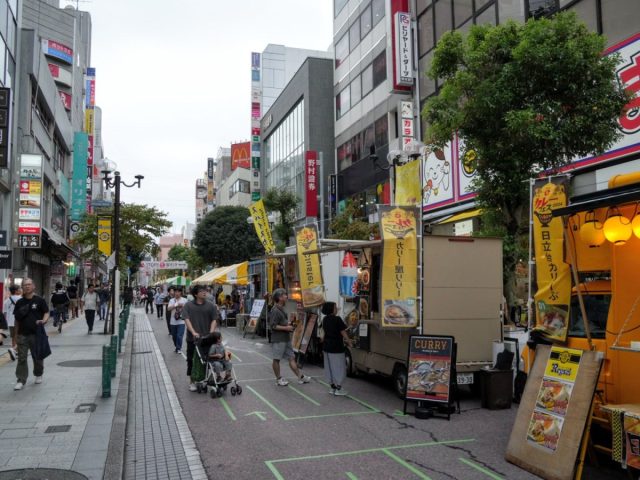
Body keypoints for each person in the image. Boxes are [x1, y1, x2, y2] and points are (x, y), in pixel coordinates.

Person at [269, 288, 311, 387]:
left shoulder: (281, 308)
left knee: (292, 357)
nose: (286, 297)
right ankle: (279, 379)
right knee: (276, 359)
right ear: (279, 297)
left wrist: (289, 324)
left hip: (286, 338)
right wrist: (286, 327)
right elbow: (273, 326)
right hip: (278, 339)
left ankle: (300, 377)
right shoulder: (275, 310)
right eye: (284, 295)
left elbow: (281, 323)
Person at [13, 278, 49, 390]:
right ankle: (21, 379)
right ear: (22, 287)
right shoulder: (19, 302)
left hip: (36, 333)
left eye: (29, 284)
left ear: (33, 286)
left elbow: (46, 312)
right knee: (22, 358)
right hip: (22, 334)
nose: (27, 286)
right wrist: (15, 337)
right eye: (25, 285)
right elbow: (17, 320)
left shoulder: (39, 300)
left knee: (37, 356)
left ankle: (38, 373)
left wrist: (44, 321)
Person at [183, 285, 218, 392]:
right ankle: (192, 382)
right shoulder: (188, 305)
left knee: (207, 359)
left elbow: (214, 319)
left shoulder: (211, 306)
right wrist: (193, 332)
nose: (204, 292)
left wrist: (211, 332)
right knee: (191, 360)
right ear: (195, 294)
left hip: (206, 339)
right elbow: (186, 319)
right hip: (192, 339)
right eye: (201, 291)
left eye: (205, 290)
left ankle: (204, 379)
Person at [321, 301, 353, 396]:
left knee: (329, 367)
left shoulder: (324, 319)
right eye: (335, 307)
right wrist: (349, 341)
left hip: (327, 346)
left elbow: (328, 331)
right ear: (331, 309)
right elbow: (342, 331)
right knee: (339, 367)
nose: (337, 309)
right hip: (336, 347)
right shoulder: (337, 319)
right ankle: (339, 388)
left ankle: (332, 387)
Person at [2, 285, 22, 361]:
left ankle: (14, 351)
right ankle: (16, 351)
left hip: (10, 321)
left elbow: (4, 312)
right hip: (20, 321)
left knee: (13, 337)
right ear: (16, 291)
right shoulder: (21, 299)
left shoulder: (7, 300)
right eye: (19, 289)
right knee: (21, 336)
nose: (21, 290)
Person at [168, 287, 187, 354]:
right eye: (175, 292)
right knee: (174, 336)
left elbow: (187, 308)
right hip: (173, 321)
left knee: (179, 335)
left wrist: (182, 305)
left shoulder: (184, 300)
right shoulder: (171, 300)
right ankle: (177, 346)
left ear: (181, 292)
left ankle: (179, 348)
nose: (176, 293)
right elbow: (169, 309)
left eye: (178, 292)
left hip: (181, 321)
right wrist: (176, 304)